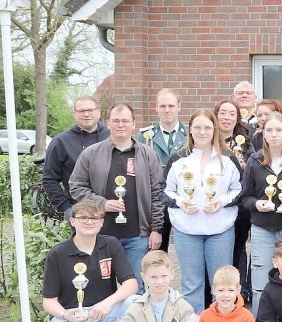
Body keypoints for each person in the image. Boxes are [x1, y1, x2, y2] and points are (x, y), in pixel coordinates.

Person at [69, 103, 164, 291]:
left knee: (136, 285)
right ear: (108, 123)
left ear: (133, 124)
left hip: (138, 235)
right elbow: (76, 186)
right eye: (116, 121)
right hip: (100, 234)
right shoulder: (91, 153)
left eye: (125, 121)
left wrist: (156, 228)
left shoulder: (148, 154)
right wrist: (102, 203)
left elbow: (157, 193)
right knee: (101, 286)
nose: (121, 125)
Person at [42, 200, 137, 322]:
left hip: (105, 313)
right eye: (83, 217)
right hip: (73, 316)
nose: (89, 222)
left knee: (137, 304)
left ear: (102, 222)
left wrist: (107, 303)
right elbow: (48, 301)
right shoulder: (58, 253)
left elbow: (131, 284)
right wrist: (65, 314)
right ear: (73, 221)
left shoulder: (111, 244)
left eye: (95, 218)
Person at [162, 109, 242, 313]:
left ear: (214, 129)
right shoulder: (178, 159)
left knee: (222, 286)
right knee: (191, 285)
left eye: (207, 127)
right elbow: (165, 191)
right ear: (189, 130)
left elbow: (239, 190)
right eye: (197, 127)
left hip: (220, 231)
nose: (202, 131)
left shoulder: (228, 158)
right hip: (187, 232)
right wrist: (180, 202)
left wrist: (222, 201)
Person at [239, 112, 282, 311]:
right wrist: (257, 204)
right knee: (260, 282)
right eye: (269, 130)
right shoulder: (255, 161)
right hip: (262, 229)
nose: (274, 134)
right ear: (263, 134)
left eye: (279, 130)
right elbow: (245, 197)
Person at [43, 96, 110, 218]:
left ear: (99, 112)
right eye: (81, 111)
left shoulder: (111, 137)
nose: (86, 114)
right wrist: (67, 208)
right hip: (80, 212)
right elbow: (49, 179)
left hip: (112, 209)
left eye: (90, 110)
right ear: (74, 113)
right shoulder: (61, 142)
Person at [214, 99, 255, 298]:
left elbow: (256, 168)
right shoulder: (209, 141)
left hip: (239, 206)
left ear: (237, 118)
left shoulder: (246, 142)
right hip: (215, 206)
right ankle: (217, 291)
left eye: (232, 114)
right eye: (223, 113)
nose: (227, 117)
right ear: (216, 115)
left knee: (239, 248)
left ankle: (241, 291)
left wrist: (245, 166)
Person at [138, 89, 187, 252]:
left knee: (189, 250)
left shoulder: (191, 133)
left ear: (179, 107)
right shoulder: (144, 136)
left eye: (171, 105)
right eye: (163, 106)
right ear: (156, 108)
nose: (167, 110)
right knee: (156, 250)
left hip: (185, 198)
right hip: (155, 199)